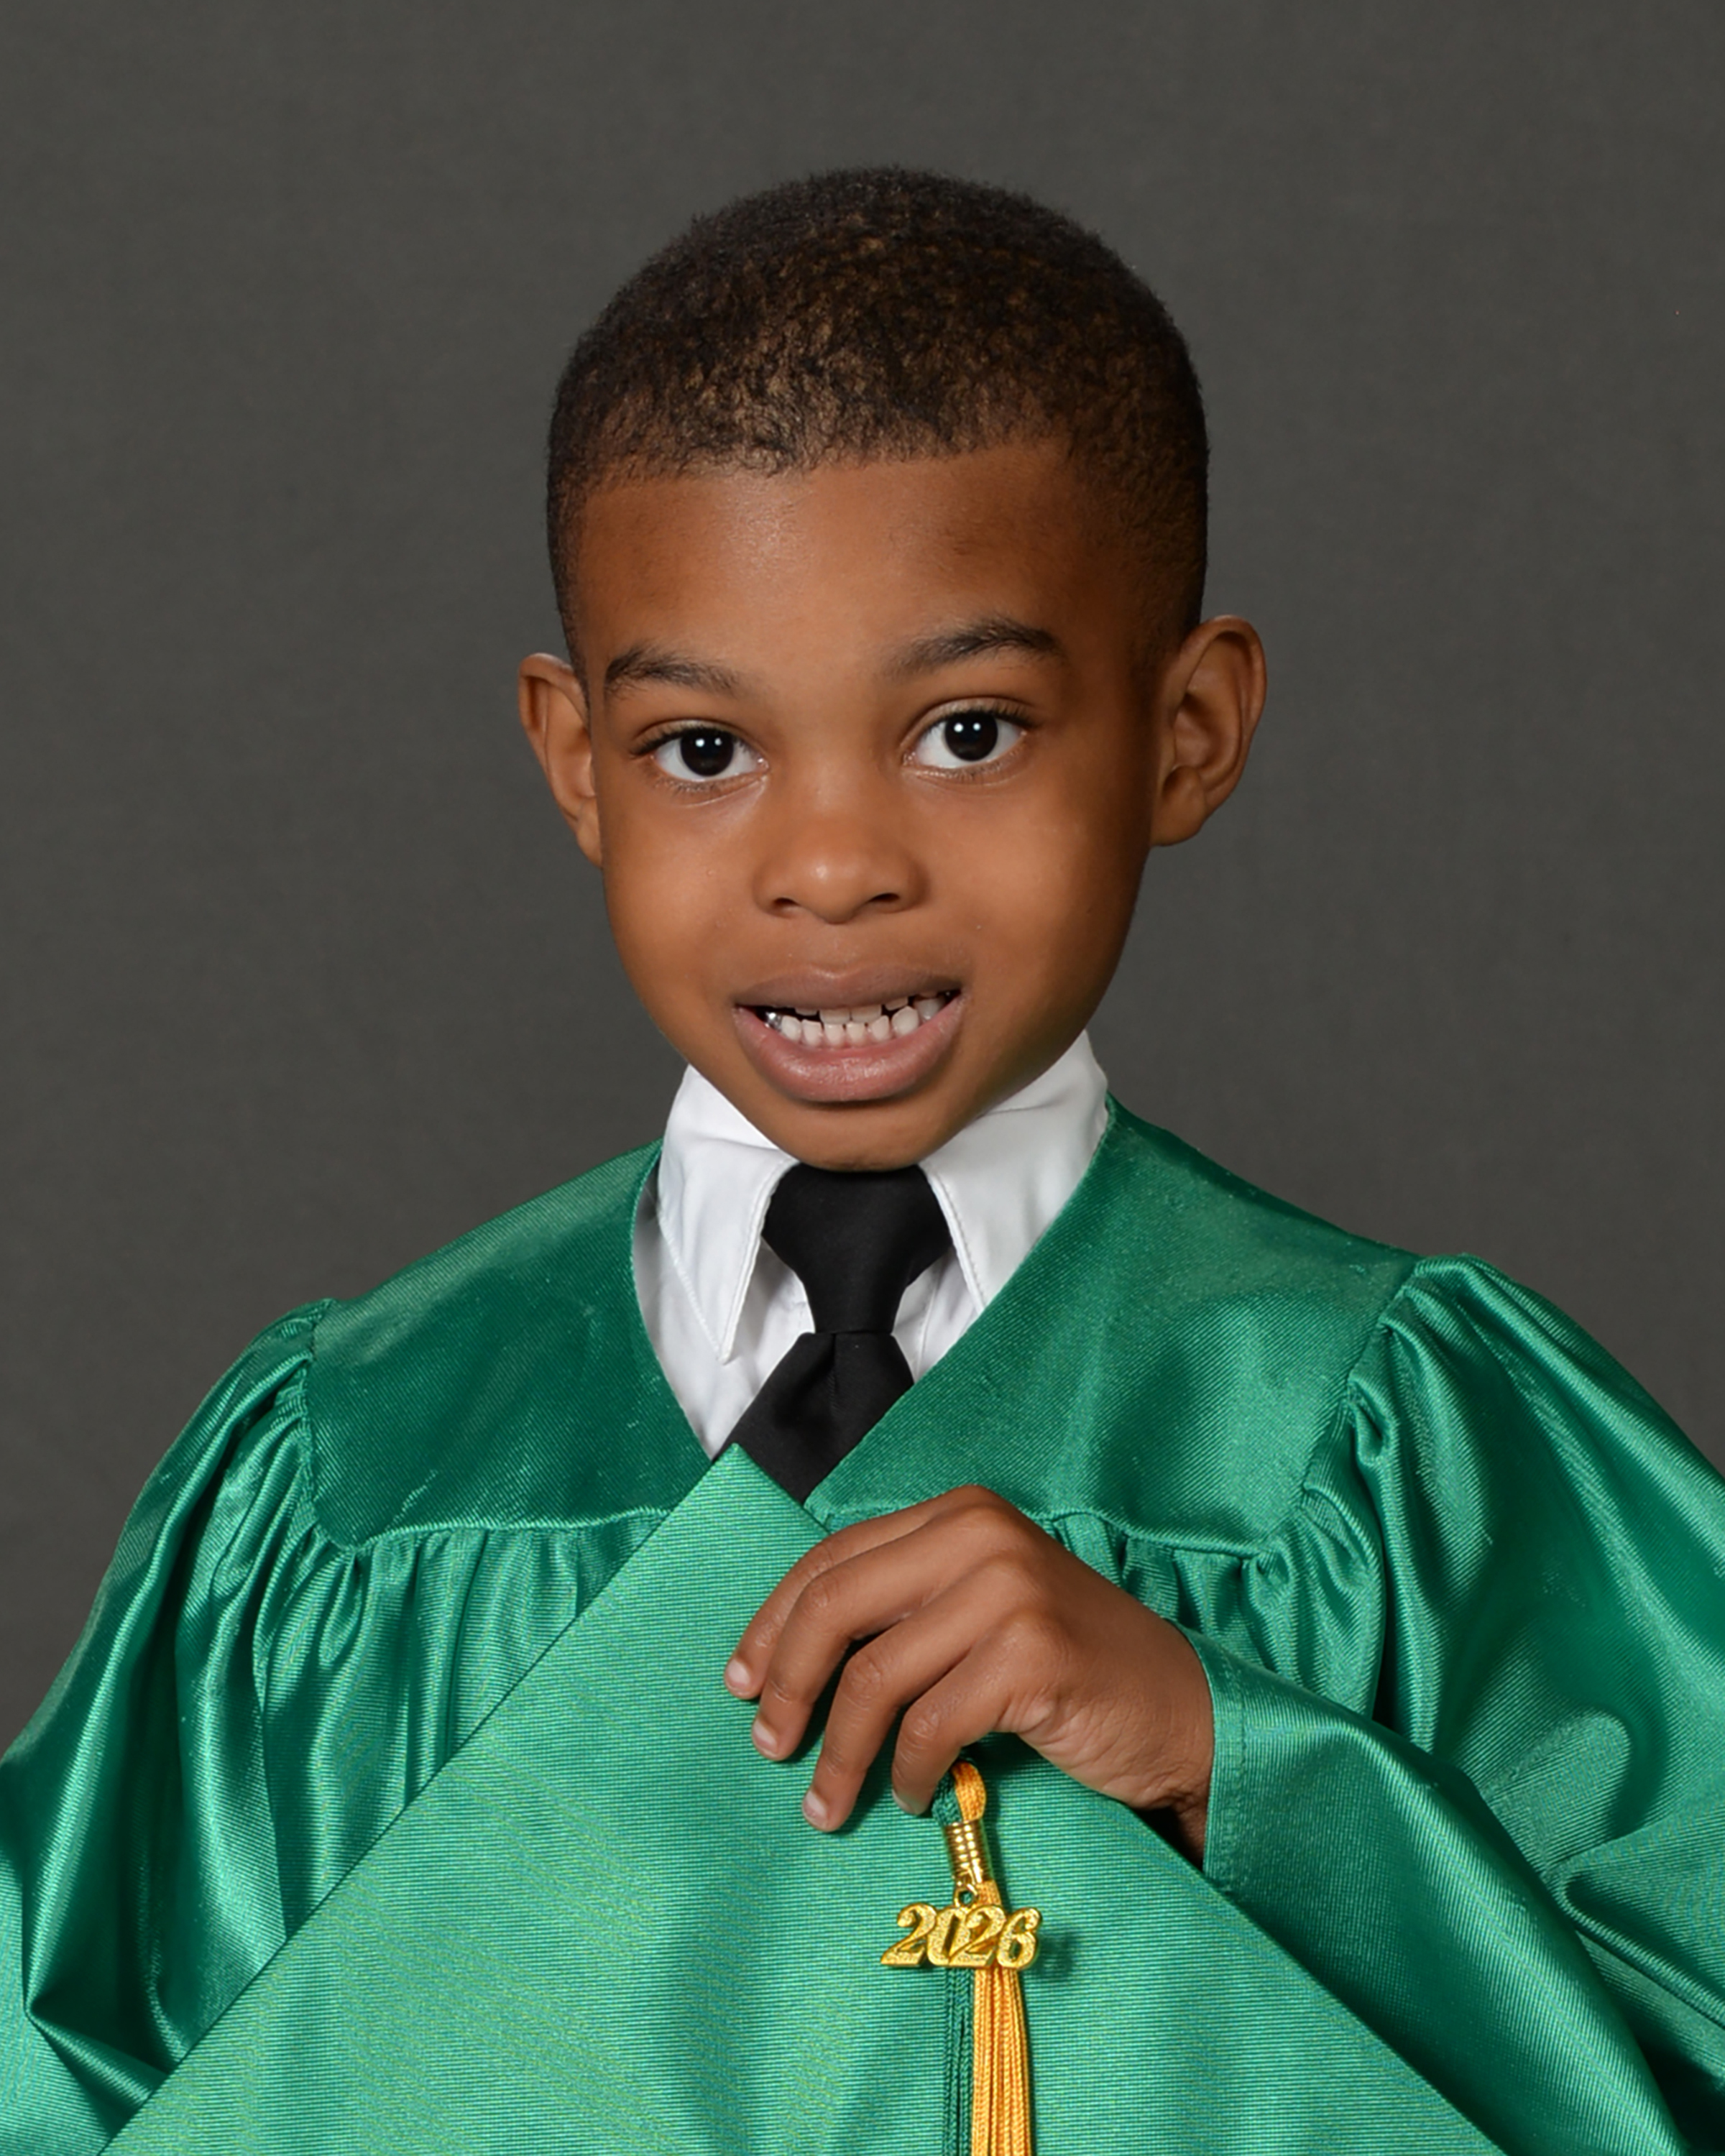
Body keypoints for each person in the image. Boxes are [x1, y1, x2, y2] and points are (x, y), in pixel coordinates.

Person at [2, 168, 1721, 2156]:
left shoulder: (1406, 1455)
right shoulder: (347, 1485)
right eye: (704, 752)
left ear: (1188, 729)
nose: (831, 868)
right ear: (573, 759)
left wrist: (1242, 1762)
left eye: (967, 732)